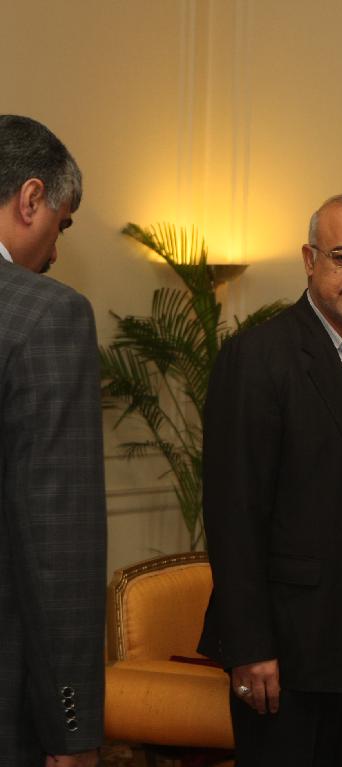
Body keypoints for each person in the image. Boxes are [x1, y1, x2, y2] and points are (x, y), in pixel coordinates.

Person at [197, 193, 342, 765]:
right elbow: (234, 515)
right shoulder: (258, 357)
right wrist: (249, 647)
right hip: (288, 650)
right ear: (309, 258)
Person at [0, 115, 106, 767]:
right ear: (31, 198)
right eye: (61, 225)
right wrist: (74, 726)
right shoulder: (45, 313)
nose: (57, 251)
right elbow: (56, 541)